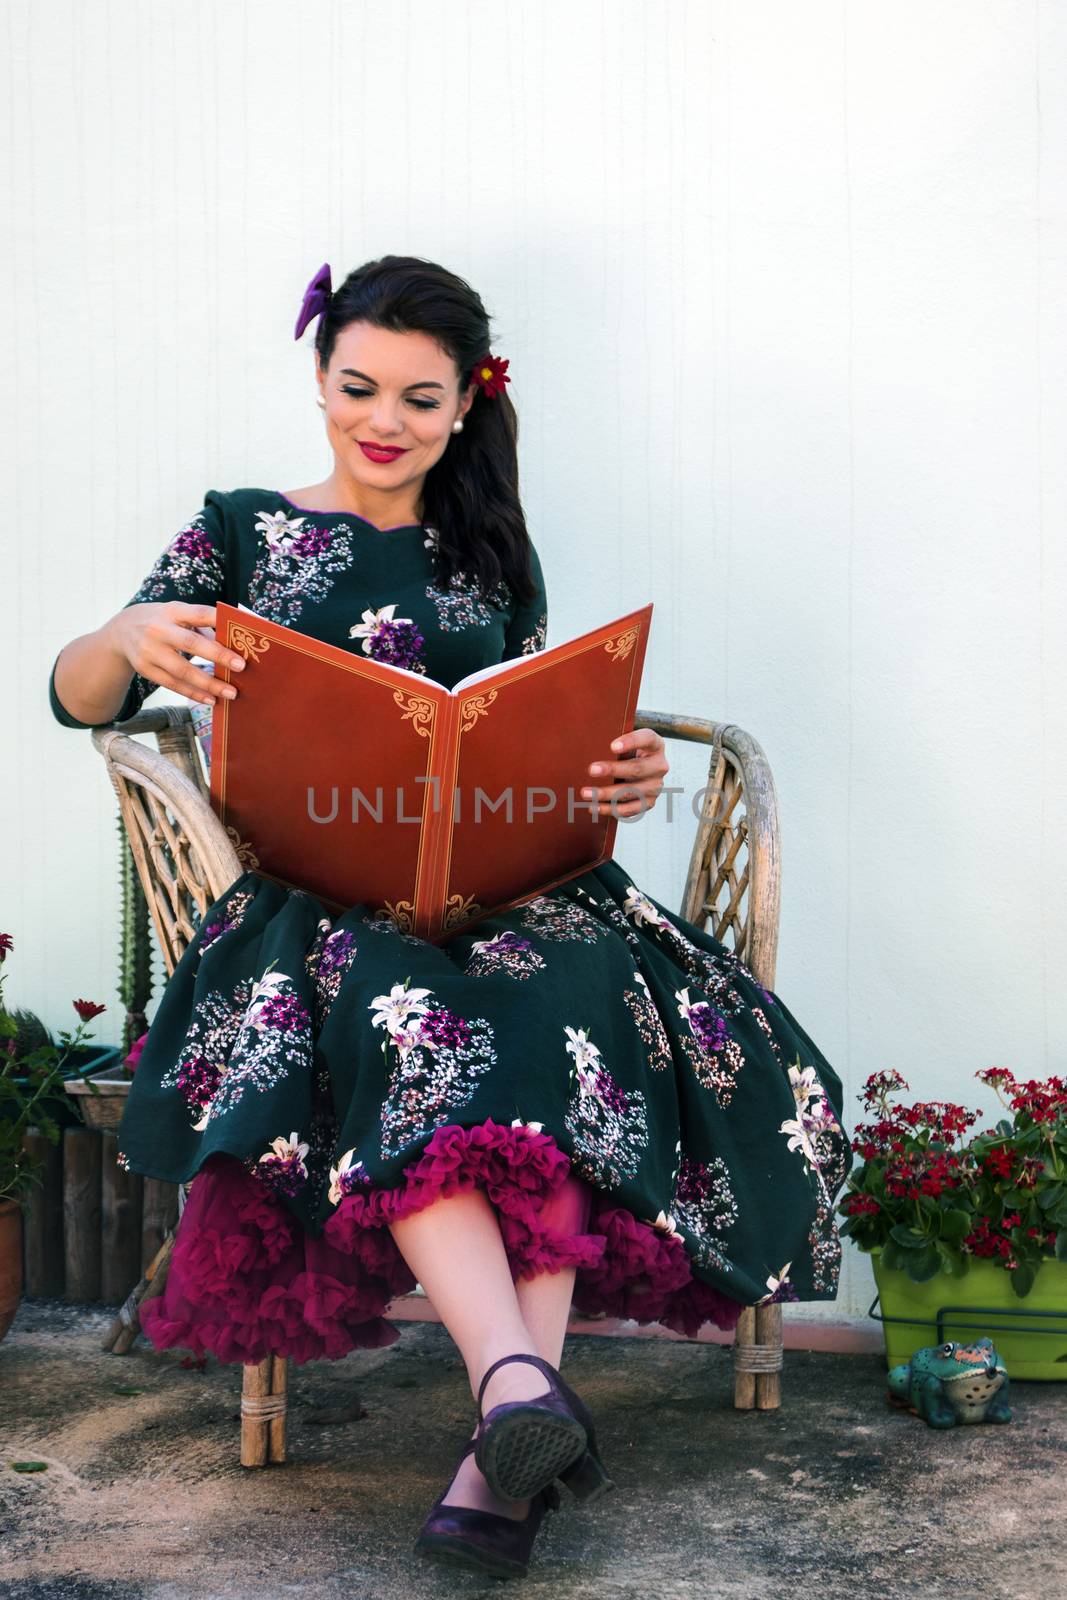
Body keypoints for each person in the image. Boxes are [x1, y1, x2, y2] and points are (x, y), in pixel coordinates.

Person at [48, 254, 853, 1581]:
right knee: (410, 1017)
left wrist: (621, 772)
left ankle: (511, 1416)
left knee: (560, 1001)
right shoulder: (237, 530)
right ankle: (515, 1405)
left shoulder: (491, 551)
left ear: (468, 405)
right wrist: (130, 639)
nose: (384, 419)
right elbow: (82, 698)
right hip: (308, 904)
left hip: (505, 888)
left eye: (421, 399)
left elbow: (528, 732)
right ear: (318, 378)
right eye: (358, 387)